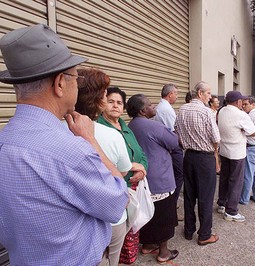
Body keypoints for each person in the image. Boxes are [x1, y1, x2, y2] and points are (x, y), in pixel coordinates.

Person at [0, 24, 129, 266]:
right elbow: (117, 202)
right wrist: (90, 140)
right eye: (75, 77)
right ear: (60, 83)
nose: (77, 84)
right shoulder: (70, 149)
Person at [75, 68, 137, 266]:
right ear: (99, 100)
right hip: (111, 216)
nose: (112, 102)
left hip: (78, 218)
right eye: (106, 95)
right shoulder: (111, 135)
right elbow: (124, 171)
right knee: (111, 257)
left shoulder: (58, 130)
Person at [97, 86, 148, 265]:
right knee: (111, 240)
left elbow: (141, 154)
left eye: (119, 103)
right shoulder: (98, 128)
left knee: (130, 231)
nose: (115, 106)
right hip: (113, 190)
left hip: (132, 188)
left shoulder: (125, 127)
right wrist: (132, 167)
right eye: (111, 101)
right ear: (103, 104)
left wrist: (142, 170)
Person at [127, 94, 179, 264]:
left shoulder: (130, 126)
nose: (154, 107)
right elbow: (173, 142)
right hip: (160, 179)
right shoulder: (154, 126)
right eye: (150, 105)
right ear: (143, 111)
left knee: (148, 213)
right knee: (164, 216)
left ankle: (148, 245)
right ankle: (164, 252)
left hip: (143, 179)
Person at [175, 81, 220, 246]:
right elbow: (216, 138)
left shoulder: (182, 109)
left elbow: (176, 131)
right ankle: (204, 234)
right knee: (206, 197)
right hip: (205, 157)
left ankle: (188, 230)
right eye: (208, 93)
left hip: (189, 157)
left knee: (189, 195)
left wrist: (188, 142)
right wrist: (214, 151)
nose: (210, 97)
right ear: (200, 93)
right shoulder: (207, 112)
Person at [217, 91, 255, 222]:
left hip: (224, 150)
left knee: (224, 178)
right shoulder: (241, 115)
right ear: (238, 102)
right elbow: (254, 133)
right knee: (236, 182)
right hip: (237, 153)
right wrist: (242, 131)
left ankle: (222, 204)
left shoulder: (221, 111)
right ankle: (231, 211)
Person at [154, 84, 184, 217]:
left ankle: (172, 202)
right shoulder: (166, 109)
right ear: (170, 94)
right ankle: (172, 203)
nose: (177, 97)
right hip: (172, 146)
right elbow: (173, 131)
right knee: (179, 175)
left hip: (166, 145)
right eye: (176, 94)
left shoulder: (163, 107)